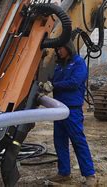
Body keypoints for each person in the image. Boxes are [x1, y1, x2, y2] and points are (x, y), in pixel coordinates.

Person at [45, 40, 96, 186]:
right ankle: (64, 172)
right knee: (59, 141)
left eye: (60, 47)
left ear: (68, 47)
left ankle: (90, 176)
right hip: (58, 110)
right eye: (57, 48)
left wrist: (54, 85)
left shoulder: (78, 63)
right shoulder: (59, 65)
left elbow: (74, 82)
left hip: (72, 110)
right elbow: (52, 80)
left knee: (78, 141)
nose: (58, 51)